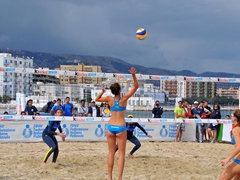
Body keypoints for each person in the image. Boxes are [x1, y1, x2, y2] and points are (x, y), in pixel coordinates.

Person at [95, 67, 138, 180]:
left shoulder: (109, 99)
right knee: (121, 154)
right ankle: (119, 178)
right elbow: (136, 87)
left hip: (110, 127)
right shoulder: (124, 98)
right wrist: (133, 75)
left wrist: (102, 92)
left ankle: (109, 178)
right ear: (119, 90)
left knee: (111, 153)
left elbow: (97, 99)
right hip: (120, 127)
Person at [219, 110, 240, 180]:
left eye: (232, 115)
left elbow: (239, 147)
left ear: (235, 118)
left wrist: (228, 159)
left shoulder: (236, 130)